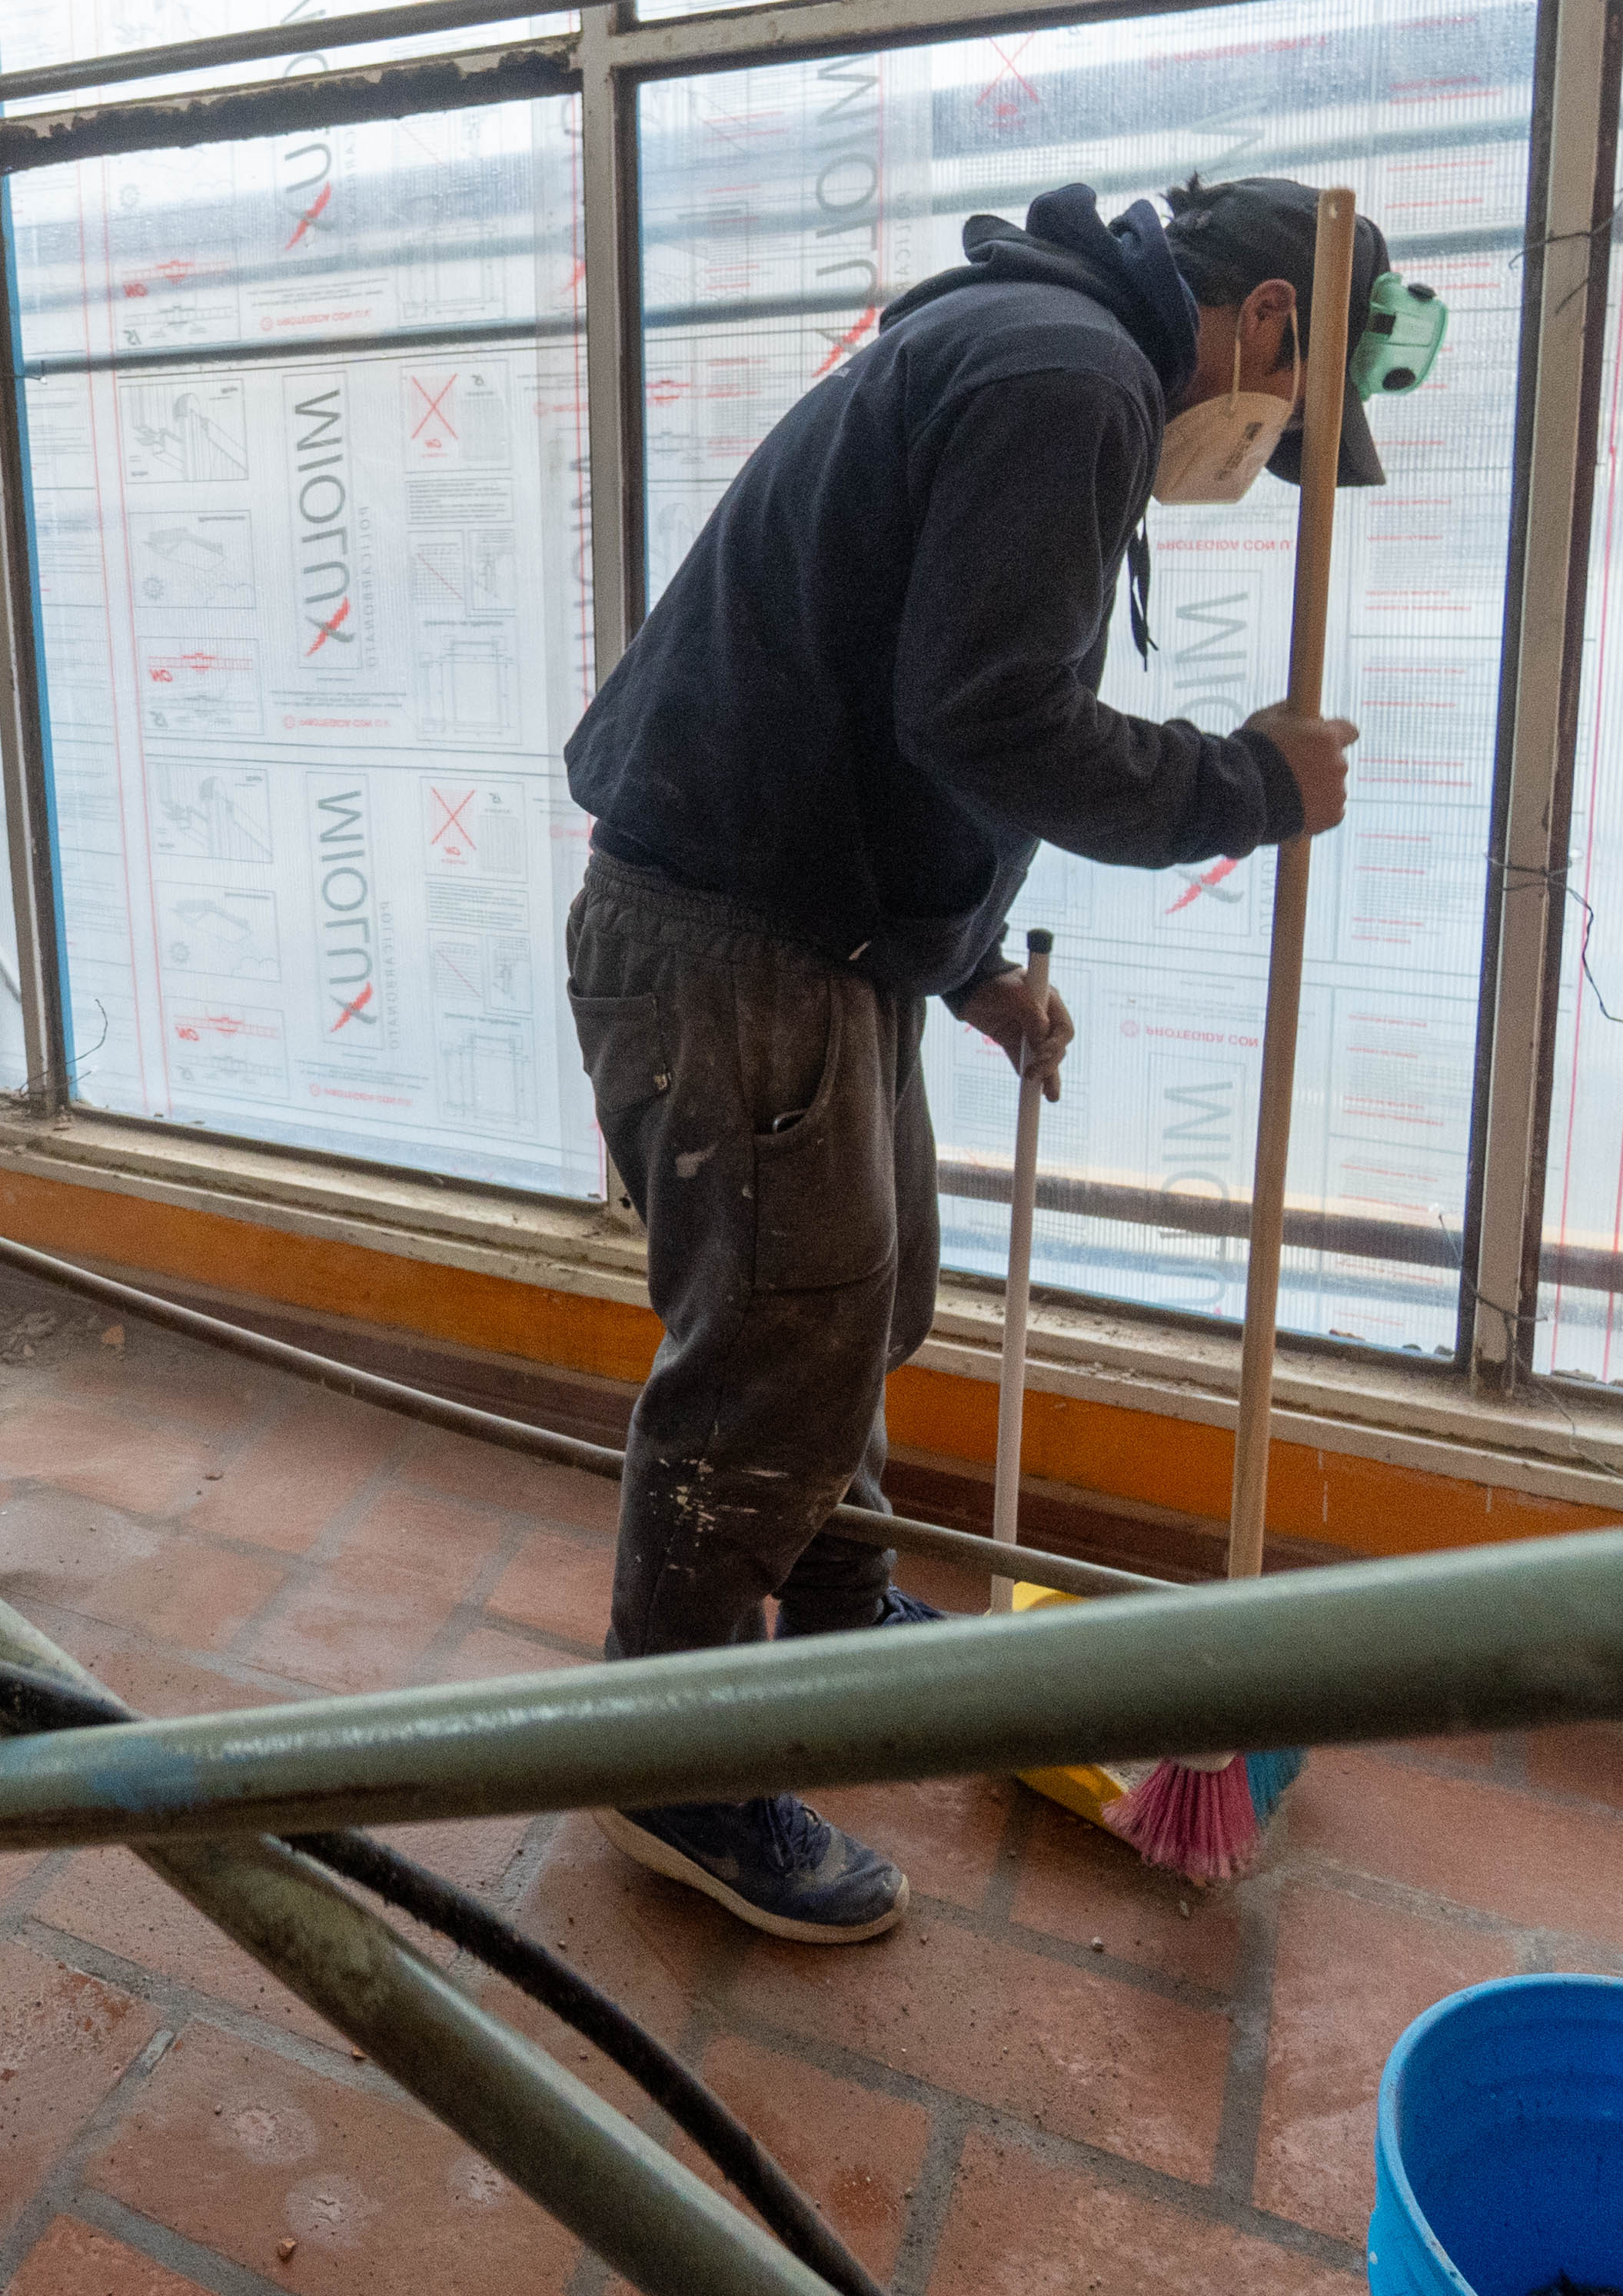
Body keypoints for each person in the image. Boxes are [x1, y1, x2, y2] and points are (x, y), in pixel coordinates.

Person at [557, 173, 1428, 1943]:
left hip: (795, 922)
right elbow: (986, 712)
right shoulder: (1073, 377)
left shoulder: (1030, 349)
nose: (1261, 463)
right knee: (774, 1345)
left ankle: (834, 1588)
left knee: (858, 1301)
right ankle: (673, 1759)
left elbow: (885, 717)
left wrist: (965, 973)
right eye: (1288, 430)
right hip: (733, 941)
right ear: (1268, 324)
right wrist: (1248, 786)